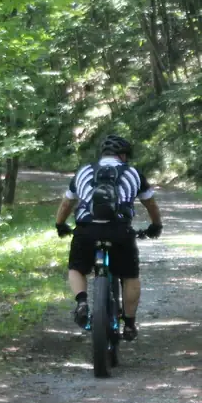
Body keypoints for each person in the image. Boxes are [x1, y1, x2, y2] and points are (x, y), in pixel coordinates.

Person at [55, 134, 163, 341]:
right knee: (130, 276)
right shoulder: (133, 173)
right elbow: (151, 205)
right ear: (123, 155)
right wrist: (155, 226)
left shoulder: (84, 171)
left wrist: (60, 224)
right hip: (119, 231)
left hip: (87, 230)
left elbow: (66, 204)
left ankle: (82, 302)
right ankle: (130, 324)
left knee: (76, 268)